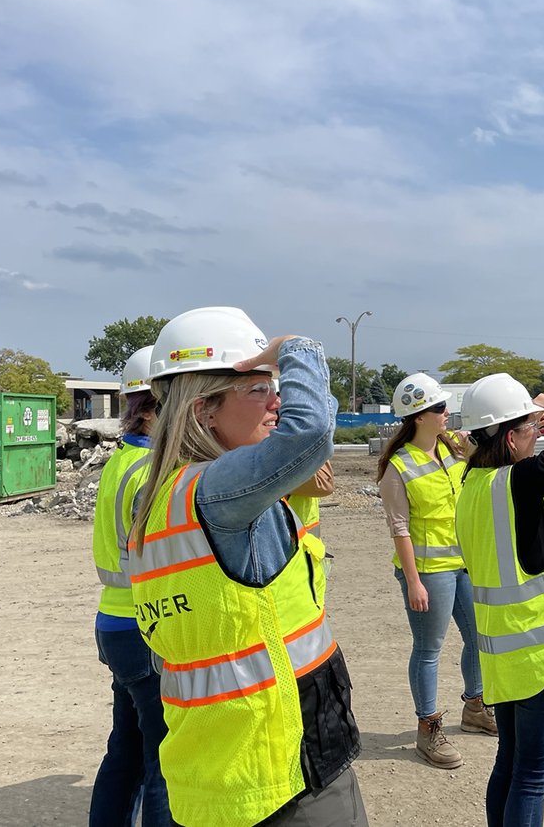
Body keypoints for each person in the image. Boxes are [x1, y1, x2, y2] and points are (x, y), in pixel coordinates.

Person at [128, 307, 366, 827]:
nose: (276, 402)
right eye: (258, 390)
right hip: (284, 771)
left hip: (218, 769)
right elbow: (309, 434)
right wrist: (296, 347)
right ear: (202, 410)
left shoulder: (164, 495)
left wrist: (272, 374)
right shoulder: (216, 492)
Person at [454, 373, 544, 827]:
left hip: (505, 654)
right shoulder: (519, 481)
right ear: (510, 436)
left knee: (511, 766)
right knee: (532, 779)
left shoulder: (473, 484)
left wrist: (525, 415)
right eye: (531, 428)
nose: (538, 434)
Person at [375, 373, 495, 770]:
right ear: (421, 416)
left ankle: (475, 707)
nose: (448, 413)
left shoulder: (452, 451)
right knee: (429, 650)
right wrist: (413, 582)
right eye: (441, 407)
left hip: (463, 564)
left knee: (479, 637)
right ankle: (428, 729)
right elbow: (400, 528)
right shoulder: (398, 466)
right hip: (428, 573)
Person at [89, 345, 171, 827]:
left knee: (127, 751)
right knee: (162, 760)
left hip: (117, 622)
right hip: (145, 627)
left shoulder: (123, 461)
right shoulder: (151, 472)